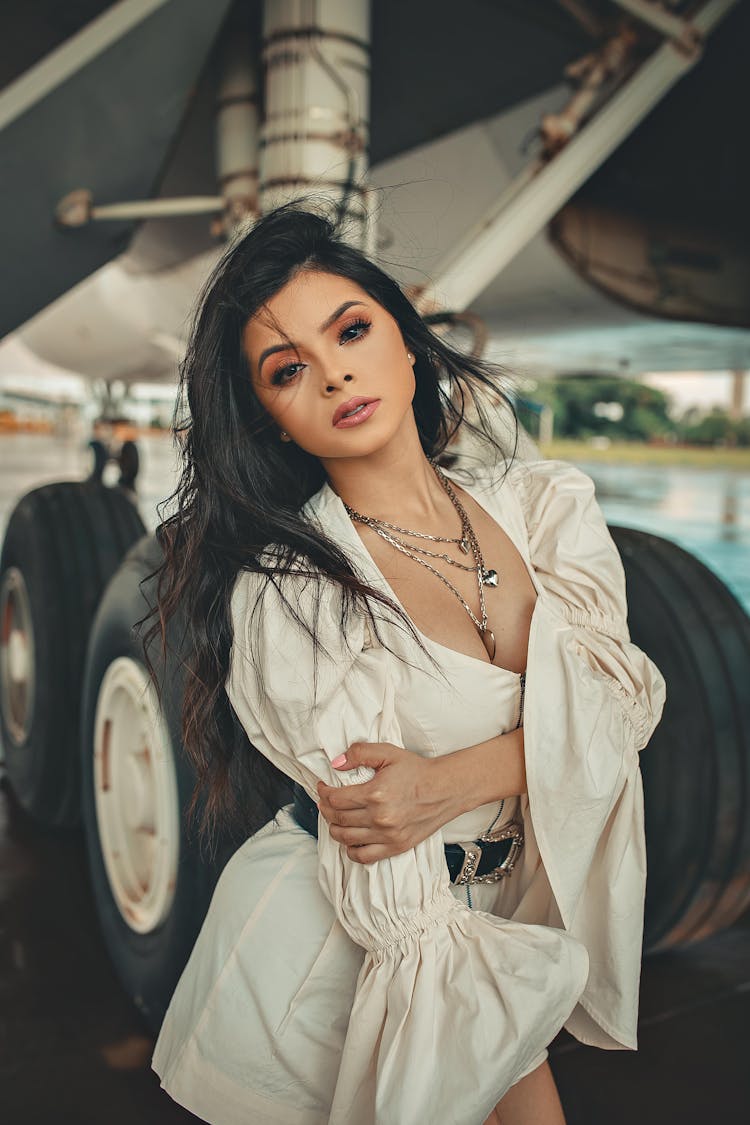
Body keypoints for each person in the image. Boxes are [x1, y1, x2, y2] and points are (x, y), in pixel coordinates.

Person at [147, 202, 666, 1125]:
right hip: (338, 961)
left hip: (491, 927)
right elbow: (384, 831)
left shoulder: (545, 506)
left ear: (408, 342)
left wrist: (450, 779)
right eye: (286, 370)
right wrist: (523, 755)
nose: (334, 370)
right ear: (270, 422)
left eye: (350, 330)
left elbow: (624, 706)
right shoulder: (290, 586)